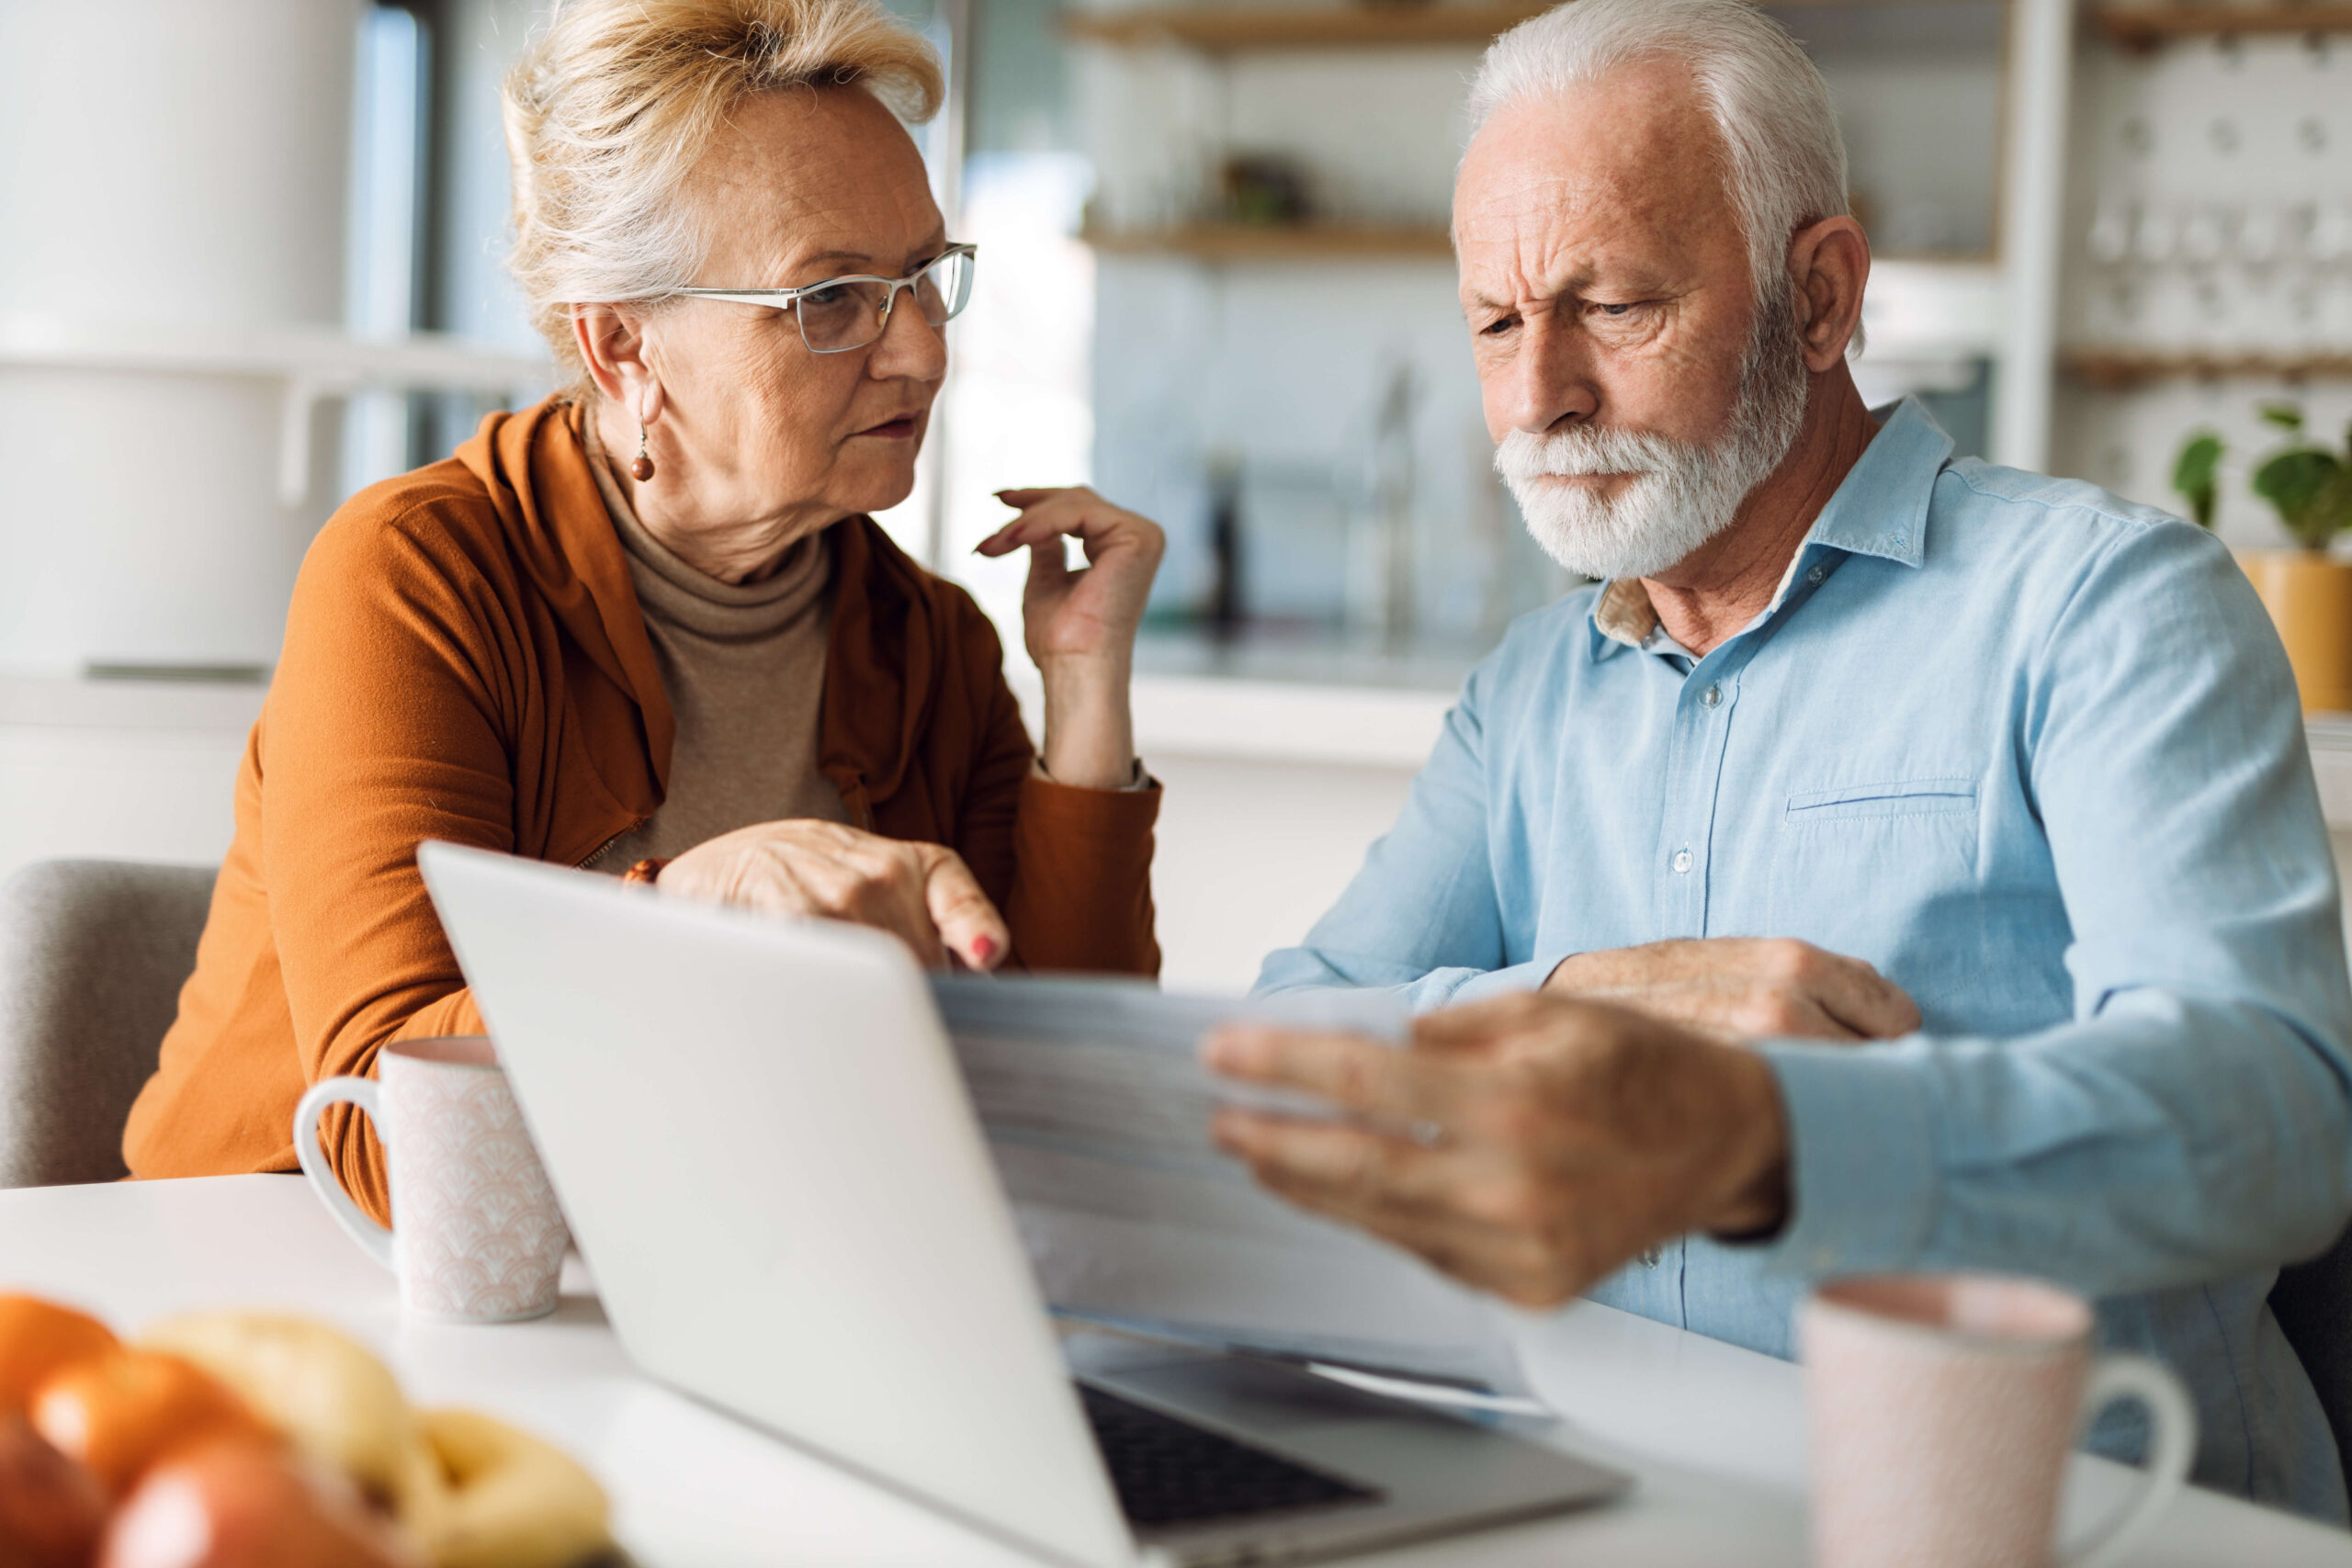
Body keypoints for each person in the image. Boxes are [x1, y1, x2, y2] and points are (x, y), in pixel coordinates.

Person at [1210, 0, 2352, 1522]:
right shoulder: (1532, 688)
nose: (1540, 396)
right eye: (1496, 322)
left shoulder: (2104, 606)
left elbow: (2268, 1114)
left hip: (2087, 1529)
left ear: (1819, 298)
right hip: (1628, 1512)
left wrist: (1766, 1145)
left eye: (1611, 307)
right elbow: (1294, 1040)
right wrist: (1572, 1001)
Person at [125, 0, 1166, 1222]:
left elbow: (1076, 1123)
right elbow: (389, 1135)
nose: (925, 352)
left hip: (676, 1278)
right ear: (622, 348)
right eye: (829, 297)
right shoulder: (415, 579)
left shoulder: (928, 638)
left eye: (925, 276)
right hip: (274, 1278)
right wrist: (701, 909)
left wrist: (1084, 694)